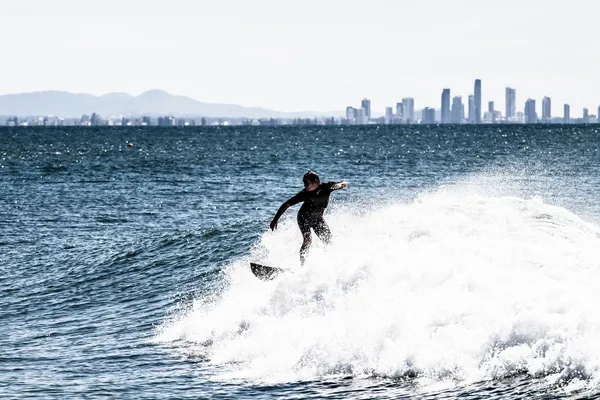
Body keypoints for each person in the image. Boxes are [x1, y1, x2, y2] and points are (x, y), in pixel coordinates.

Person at [270, 170, 349, 264]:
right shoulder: (304, 194)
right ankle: (302, 265)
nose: (304, 186)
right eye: (304, 183)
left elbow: (344, 183)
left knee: (328, 240)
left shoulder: (326, 187)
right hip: (304, 218)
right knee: (307, 240)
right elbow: (287, 204)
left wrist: (339, 185)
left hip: (318, 219)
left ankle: (330, 262)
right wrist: (275, 219)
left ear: (315, 181)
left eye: (306, 183)